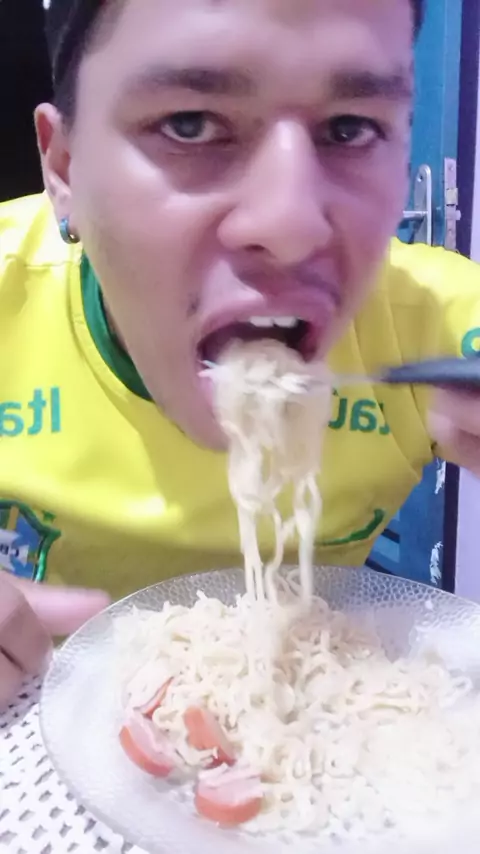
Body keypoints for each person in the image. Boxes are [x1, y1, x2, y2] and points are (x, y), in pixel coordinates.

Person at [1, 0, 479, 708]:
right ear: (65, 167)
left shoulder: (433, 321)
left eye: (350, 129)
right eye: (190, 124)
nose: (289, 223)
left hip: (311, 724)